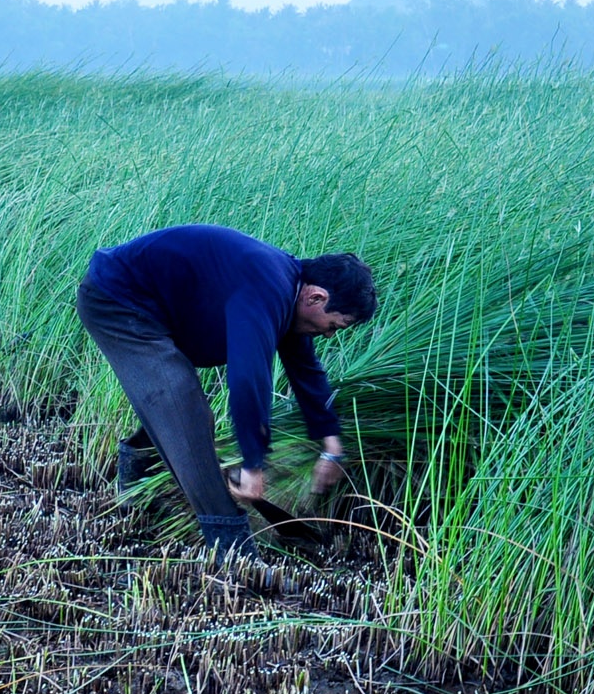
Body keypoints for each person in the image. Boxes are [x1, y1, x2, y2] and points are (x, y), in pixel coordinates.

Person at [76, 225, 376, 557]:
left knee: (173, 405)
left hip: (157, 310)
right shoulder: (268, 289)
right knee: (186, 413)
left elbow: (306, 370)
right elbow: (248, 379)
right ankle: (230, 545)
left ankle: (135, 491)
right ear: (316, 297)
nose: (330, 335)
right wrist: (252, 464)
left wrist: (331, 443)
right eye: (333, 326)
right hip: (118, 301)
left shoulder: (289, 289)